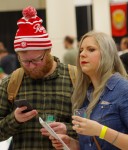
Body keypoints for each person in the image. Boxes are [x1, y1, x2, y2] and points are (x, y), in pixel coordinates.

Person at [49, 31, 128, 150]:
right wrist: (73, 144)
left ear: (107, 54)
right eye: (81, 50)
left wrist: (101, 131)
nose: (82, 54)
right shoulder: (84, 93)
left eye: (91, 49)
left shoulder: (126, 91)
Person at [0, 6, 76, 150]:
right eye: (25, 61)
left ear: (48, 51)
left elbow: (95, 127)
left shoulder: (74, 78)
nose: (31, 66)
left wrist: (67, 129)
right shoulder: (11, 83)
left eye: (37, 60)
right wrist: (14, 119)